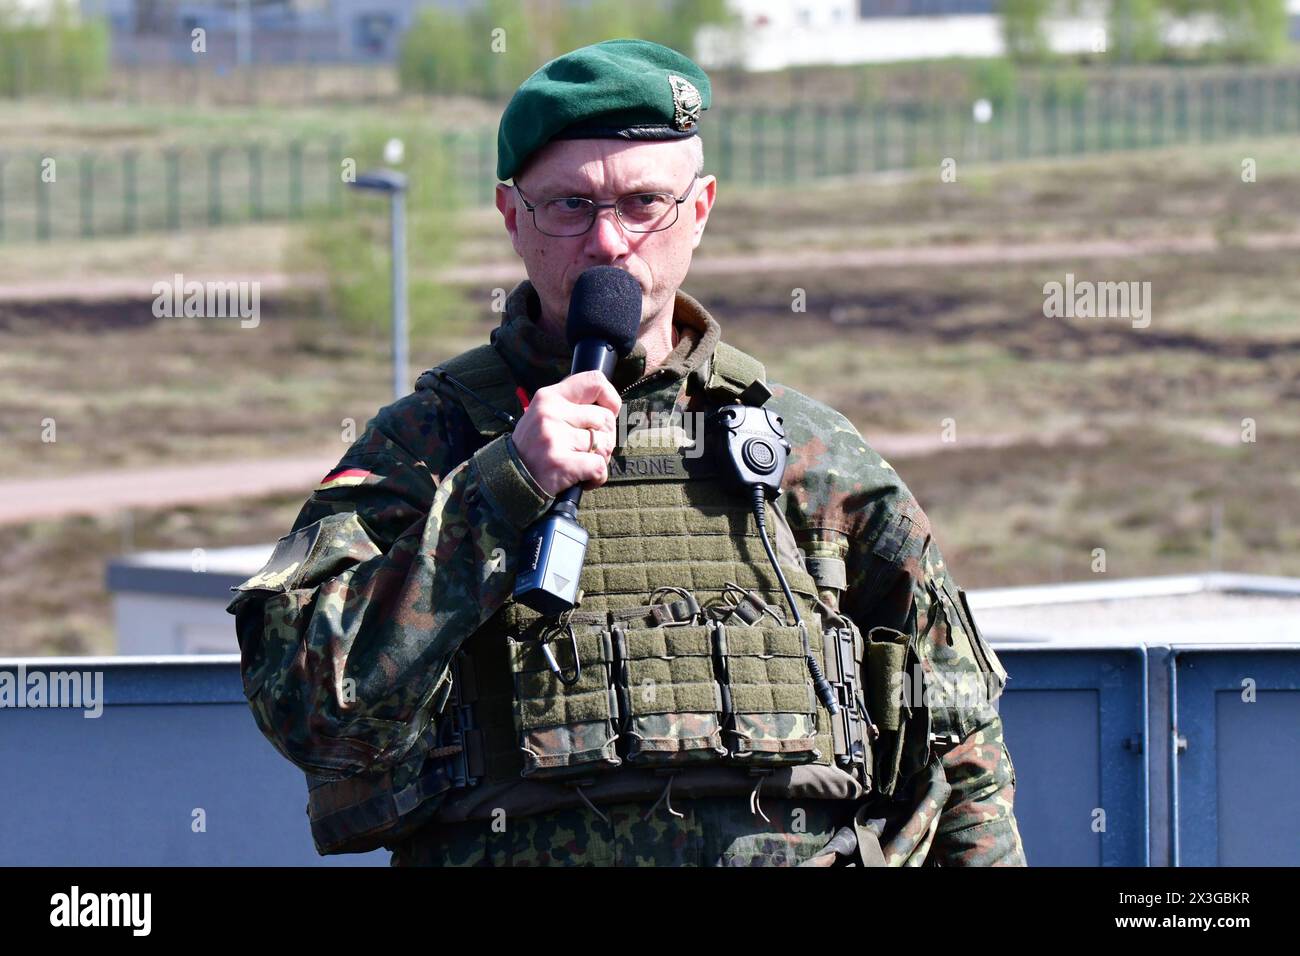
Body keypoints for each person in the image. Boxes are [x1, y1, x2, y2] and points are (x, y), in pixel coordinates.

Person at [227, 38, 1026, 867]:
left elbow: (961, 756)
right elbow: (304, 710)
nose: (609, 244)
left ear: (702, 208)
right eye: (570, 206)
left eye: (645, 204)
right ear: (511, 215)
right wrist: (499, 494)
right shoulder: (428, 444)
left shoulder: (813, 457)